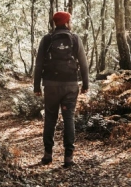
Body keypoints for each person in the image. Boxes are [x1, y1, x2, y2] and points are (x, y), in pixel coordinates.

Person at [33, 11, 89, 167]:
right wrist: (86, 84)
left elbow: (38, 64)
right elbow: (83, 64)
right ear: (67, 22)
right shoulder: (75, 39)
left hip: (51, 85)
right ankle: (68, 157)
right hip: (70, 85)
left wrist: (37, 86)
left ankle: (47, 155)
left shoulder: (47, 39)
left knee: (50, 118)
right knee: (68, 118)